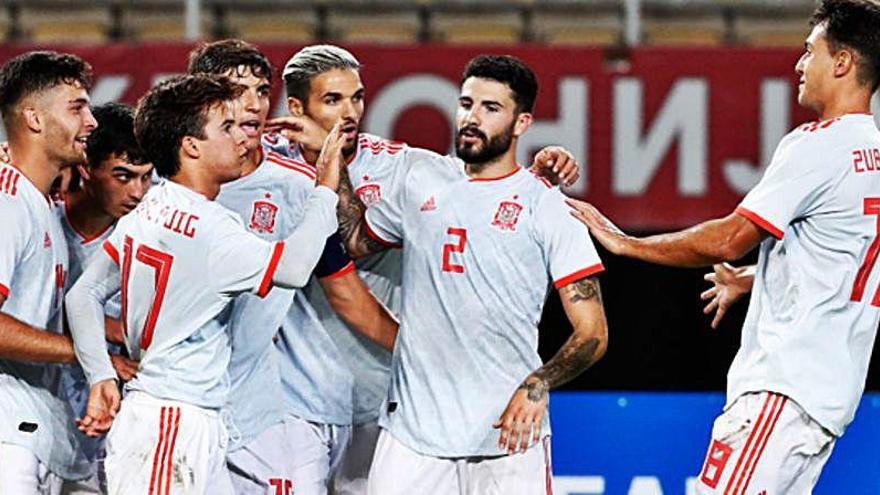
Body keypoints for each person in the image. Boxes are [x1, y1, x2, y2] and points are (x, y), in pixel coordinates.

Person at [567, 0, 880, 492]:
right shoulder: (873, 154)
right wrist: (758, 278)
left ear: (842, 62)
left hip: (781, 389)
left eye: (810, 51)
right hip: (824, 401)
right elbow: (851, 263)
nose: (800, 64)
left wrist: (627, 244)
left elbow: (730, 238)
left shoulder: (819, 144)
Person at [266, 44, 582, 495]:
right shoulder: (258, 170)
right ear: (297, 108)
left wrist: (535, 174)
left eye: (357, 97)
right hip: (294, 400)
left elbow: (481, 188)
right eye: (333, 100)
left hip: (385, 401)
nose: (350, 112)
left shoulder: (405, 167)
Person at [65, 74, 342, 494]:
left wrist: (100, 375)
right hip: (172, 424)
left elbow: (83, 294)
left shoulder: (151, 205)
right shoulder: (211, 229)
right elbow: (294, 268)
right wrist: (324, 190)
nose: (241, 138)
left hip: (176, 415)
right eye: (226, 128)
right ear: (191, 146)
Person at [185, 39, 399, 495]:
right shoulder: (169, 188)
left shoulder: (299, 187)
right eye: (235, 92)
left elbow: (346, 290)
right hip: (190, 404)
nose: (253, 105)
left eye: (262, 91)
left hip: (287, 408)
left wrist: (425, 354)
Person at [0, 50, 97, 494]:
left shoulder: (37, 200)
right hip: (8, 437)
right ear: (34, 119)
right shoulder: (7, 202)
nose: (90, 122)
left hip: (36, 429)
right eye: (76, 108)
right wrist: (86, 352)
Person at [58, 101, 152, 493]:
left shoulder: (151, 231)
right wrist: (103, 335)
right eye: (123, 176)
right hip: (39, 414)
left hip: (114, 424)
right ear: (86, 168)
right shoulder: (42, 215)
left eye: (146, 177)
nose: (137, 192)